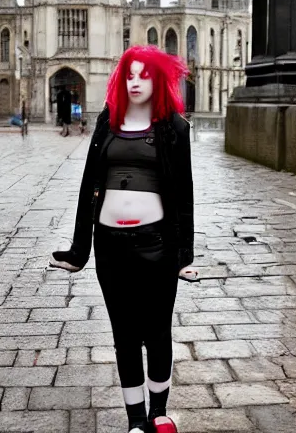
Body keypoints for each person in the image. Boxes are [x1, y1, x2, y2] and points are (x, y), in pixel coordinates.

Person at [51, 45, 199, 433]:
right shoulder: (106, 122)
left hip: (158, 243)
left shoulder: (174, 127)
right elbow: (89, 186)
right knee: (125, 335)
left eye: (144, 75)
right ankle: (136, 420)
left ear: (159, 80)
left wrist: (185, 254)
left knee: (157, 330)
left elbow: (184, 194)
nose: (135, 82)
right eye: (129, 75)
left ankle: (158, 413)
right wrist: (80, 249)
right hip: (111, 244)